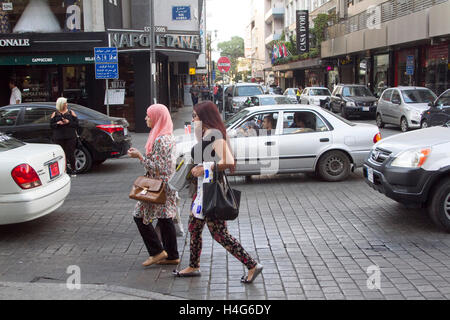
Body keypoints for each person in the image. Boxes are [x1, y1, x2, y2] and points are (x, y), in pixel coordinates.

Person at [173, 101, 263, 284]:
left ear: (205, 117)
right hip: (201, 190)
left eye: (195, 116)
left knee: (220, 235)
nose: (192, 119)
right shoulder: (207, 133)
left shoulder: (215, 135)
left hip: (211, 192)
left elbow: (229, 161)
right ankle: (194, 265)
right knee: (194, 228)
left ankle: (252, 265)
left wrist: (205, 169)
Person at [127, 104, 180, 267]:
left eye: (148, 116)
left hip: (158, 187)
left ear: (157, 118)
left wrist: (140, 157)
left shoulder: (160, 139)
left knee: (139, 215)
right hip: (165, 186)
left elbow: (158, 167)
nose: (146, 118)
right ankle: (171, 255)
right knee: (165, 219)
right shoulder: (166, 135)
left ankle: (157, 252)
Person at [50, 97, 78, 176]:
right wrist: (57, 123)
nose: (66, 104)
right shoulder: (55, 114)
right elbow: (51, 126)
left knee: (70, 153)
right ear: (61, 104)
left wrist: (68, 122)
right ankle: (64, 170)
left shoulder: (71, 112)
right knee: (61, 154)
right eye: (65, 103)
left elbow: (76, 124)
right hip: (58, 137)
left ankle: (73, 169)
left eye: (66, 103)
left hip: (70, 136)